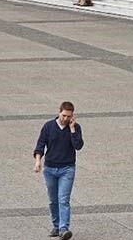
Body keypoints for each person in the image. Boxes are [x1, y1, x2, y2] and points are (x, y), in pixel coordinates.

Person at [34, 101, 82, 240]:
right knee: (53, 200)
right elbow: (40, 144)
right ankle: (56, 226)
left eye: (69, 116)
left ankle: (63, 228)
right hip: (50, 168)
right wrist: (38, 161)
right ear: (59, 112)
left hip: (67, 168)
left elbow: (78, 145)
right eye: (64, 115)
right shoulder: (48, 126)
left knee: (63, 199)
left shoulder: (75, 127)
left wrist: (72, 130)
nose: (66, 118)